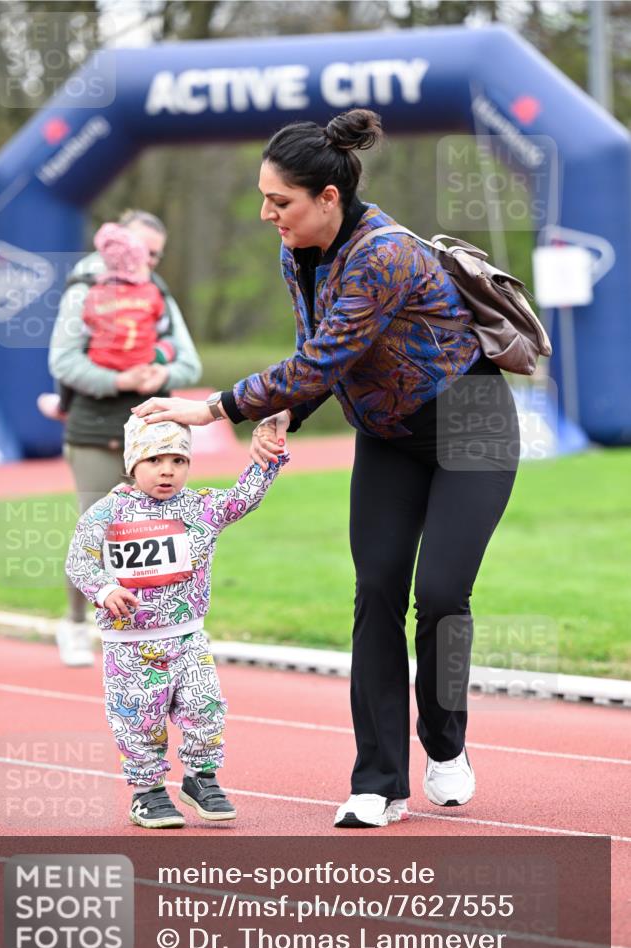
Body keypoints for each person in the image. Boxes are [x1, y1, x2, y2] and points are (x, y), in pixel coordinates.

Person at [133, 109, 520, 830]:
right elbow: (316, 352)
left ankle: (444, 740)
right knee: (375, 590)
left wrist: (212, 408)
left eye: (279, 201)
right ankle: (376, 781)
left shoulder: (385, 256)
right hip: (385, 434)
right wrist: (289, 413)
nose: (265, 213)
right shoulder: (296, 254)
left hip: (469, 426)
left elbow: (322, 357)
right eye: (263, 197)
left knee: (438, 594)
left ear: (328, 199)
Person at [65, 414, 289, 828]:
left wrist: (268, 457)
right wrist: (104, 590)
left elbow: (244, 497)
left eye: (178, 460)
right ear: (133, 464)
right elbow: (79, 562)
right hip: (130, 646)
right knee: (139, 719)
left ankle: (201, 779)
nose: (167, 470)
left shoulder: (200, 507)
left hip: (188, 639)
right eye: (154, 460)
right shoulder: (107, 513)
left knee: (206, 709)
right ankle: (147, 792)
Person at [48, 209, 202, 668]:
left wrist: (160, 372)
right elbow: (63, 362)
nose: (146, 260)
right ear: (114, 244)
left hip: (153, 437)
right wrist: (119, 381)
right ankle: (76, 624)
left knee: (156, 533)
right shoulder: (85, 290)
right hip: (96, 432)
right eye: (140, 250)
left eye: (156, 254)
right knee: (95, 534)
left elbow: (189, 364)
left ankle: (153, 630)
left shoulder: (158, 293)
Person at [39, 222, 175, 421]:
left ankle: (62, 405)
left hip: (103, 363)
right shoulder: (154, 292)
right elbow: (164, 327)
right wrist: (158, 357)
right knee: (167, 344)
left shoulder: (94, 293)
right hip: (145, 363)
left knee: (75, 361)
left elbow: (84, 331)